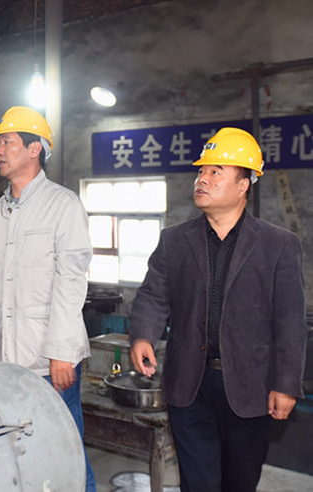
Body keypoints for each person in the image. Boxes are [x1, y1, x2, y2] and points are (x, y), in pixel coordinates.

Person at [129, 127, 307, 492]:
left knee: (240, 481)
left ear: (243, 185)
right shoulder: (174, 240)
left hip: (250, 386)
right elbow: (153, 295)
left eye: (215, 171)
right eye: (201, 171)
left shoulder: (278, 245)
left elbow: (291, 322)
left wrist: (286, 384)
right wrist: (143, 335)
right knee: (198, 483)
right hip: (189, 384)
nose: (203, 179)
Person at [0, 106, 96, 491]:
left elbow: (71, 283)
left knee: (66, 454)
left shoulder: (63, 205)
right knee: (22, 453)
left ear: (34, 149)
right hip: (8, 359)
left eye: (7, 142)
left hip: (49, 361)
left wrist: (61, 351)